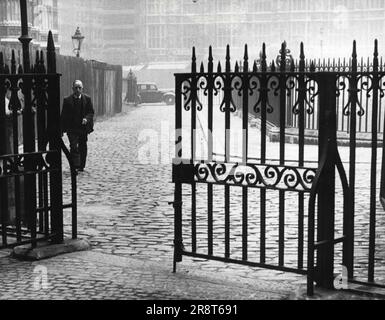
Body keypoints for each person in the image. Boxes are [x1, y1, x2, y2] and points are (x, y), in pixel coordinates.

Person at [60, 80, 94, 172]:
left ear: (82, 88)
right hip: (72, 128)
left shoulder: (87, 99)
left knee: (83, 146)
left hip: (83, 128)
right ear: (72, 89)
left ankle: (81, 165)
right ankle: (74, 165)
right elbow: (63, 115)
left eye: (79, 87)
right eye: (76, 88)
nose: (78, 89)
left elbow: (91, 112)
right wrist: (61, 129)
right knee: (73, 146)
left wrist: (86, 119)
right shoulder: (67, 100)